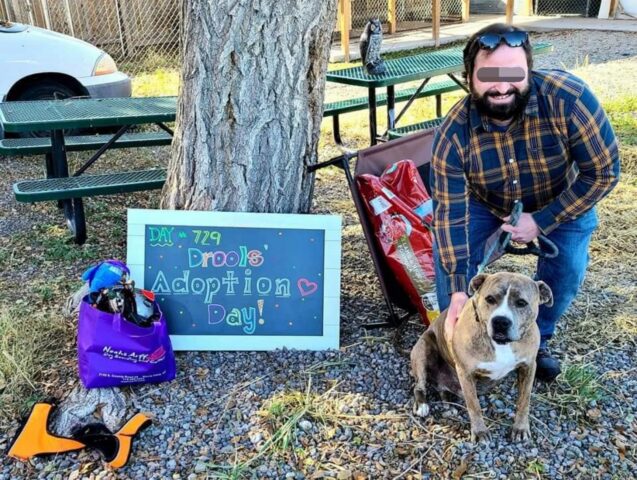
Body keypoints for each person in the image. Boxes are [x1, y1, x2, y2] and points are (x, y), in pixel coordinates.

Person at [430, 23, 620, 381]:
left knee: (568, 269)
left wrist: (542, 220)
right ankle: (460, 347)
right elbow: (449, 217)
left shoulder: (570, 99)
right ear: (468, 76)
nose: (502, 86)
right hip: (487, 204)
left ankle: (534, 338)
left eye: (513, 73)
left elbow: (604, 172)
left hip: (560, 199)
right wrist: (457, 292)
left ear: (529, 70)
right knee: (450, 260)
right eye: (488, 75)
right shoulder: (452, 134)